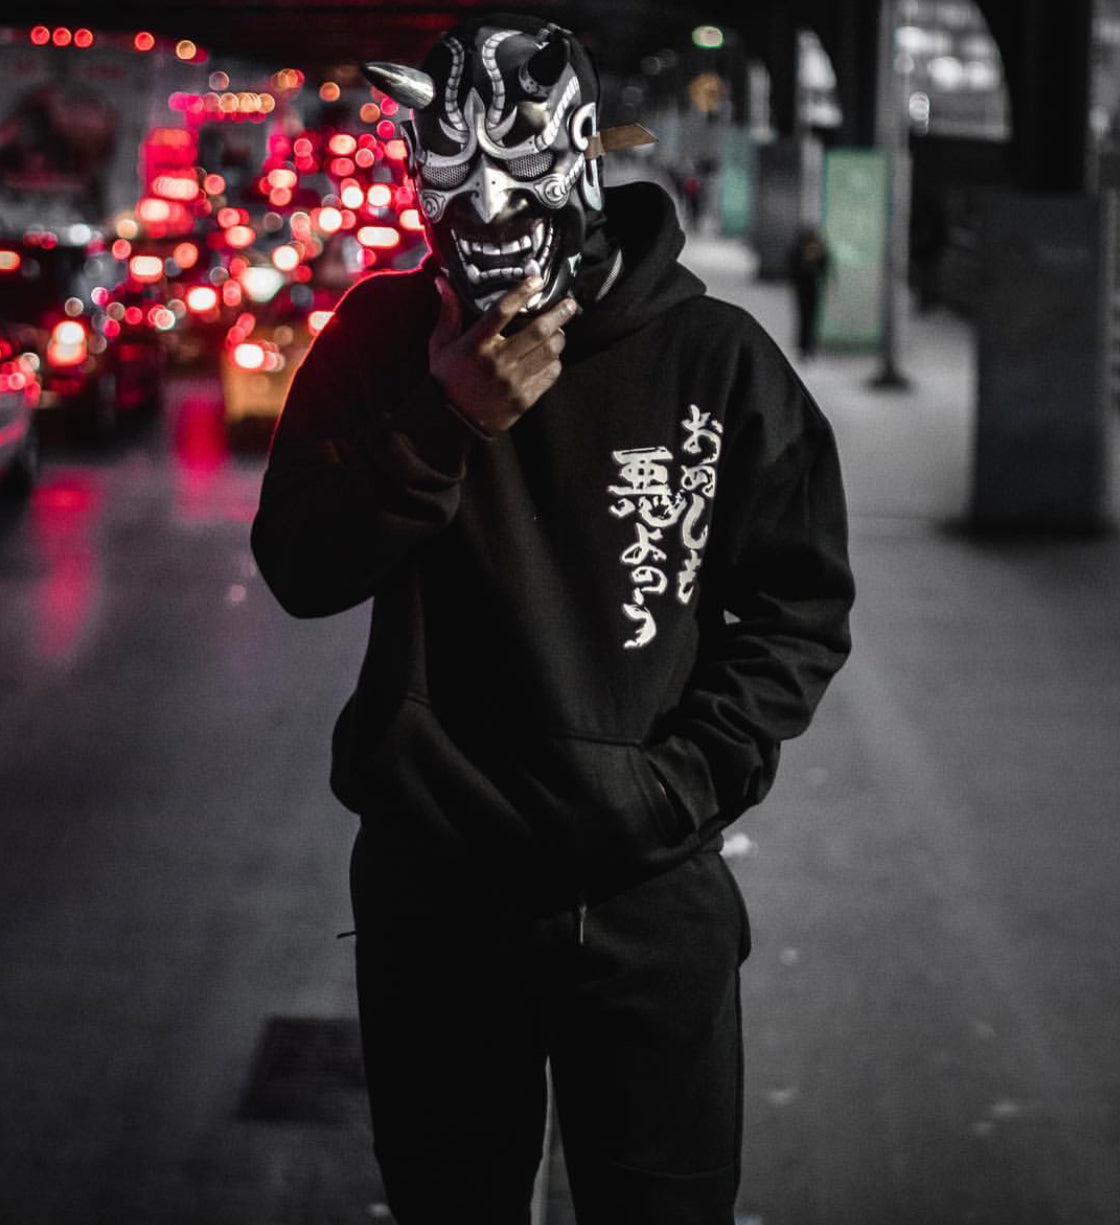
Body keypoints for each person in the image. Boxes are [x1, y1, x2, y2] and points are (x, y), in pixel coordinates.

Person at [251, 13, 854, 1225]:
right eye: (452, 173)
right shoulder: (379, 339)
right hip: (435, 895)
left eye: (517, 167)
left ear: (582, 151)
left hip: (645, 898)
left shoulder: (715, 359)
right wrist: (444, 420)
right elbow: (302, 567)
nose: (485, 210)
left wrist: (679, 785)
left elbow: (800, 605)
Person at [788, 226, 831, 359]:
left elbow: (824, 265)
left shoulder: (814, 248)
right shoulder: (803, 248)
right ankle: (805, 345)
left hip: (808, 287)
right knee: (805, 317)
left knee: (808, 317)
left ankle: (807, 345)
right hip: (805, 286)